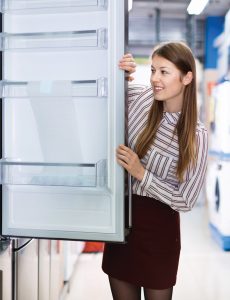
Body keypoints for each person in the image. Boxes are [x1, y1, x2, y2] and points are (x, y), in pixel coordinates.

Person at [102, 41, 208, 300]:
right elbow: (104, 90)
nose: (154, 79)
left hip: (159, 232)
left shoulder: (196, 135)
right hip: (122, 223)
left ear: (187, 77)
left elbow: (186, 200)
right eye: (152, 70)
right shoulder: (140, 99)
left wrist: (141, 173)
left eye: (164, 72)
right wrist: (119, 72)